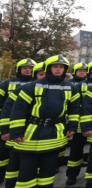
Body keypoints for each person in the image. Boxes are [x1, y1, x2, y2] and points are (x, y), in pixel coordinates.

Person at [9, 56, 78, 188]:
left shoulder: (70, 87)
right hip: (31, 134)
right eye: (55, 66)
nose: (58, 69)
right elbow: (18, 110)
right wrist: (16, 132)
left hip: (54, 135)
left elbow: (74, 109)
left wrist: (73, 125)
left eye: (61, 67)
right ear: (48, 68)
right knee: (27, 174)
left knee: (48, 173)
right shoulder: (31, 87)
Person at [66, 61, 92, 186]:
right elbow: (75, 106)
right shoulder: (80, 86)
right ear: (90, 71)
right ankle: (72, 175)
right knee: (76, 150)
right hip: (81, 123)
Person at [0, 58, 36, 186]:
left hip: (27, 125)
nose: (28, 70)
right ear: (19, 69)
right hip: (7, 122)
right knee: (3, 153)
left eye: (31, 68)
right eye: (25, 68)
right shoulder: (7, 84)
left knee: (20, 154)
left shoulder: (36, 83)